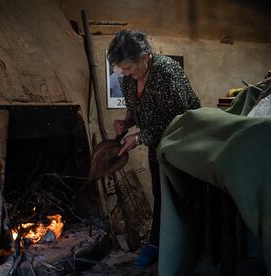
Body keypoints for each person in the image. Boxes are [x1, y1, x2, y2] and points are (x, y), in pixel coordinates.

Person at [107, 30, 201, 268]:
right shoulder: (129, 78)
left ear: (145, 56)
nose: (125, 73)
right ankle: (159, 245)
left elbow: (179, 120)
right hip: (156, 146)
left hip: (184, 145)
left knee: (182, 197)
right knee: (162, 196)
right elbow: (136, 109)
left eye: (128, 68)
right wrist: (126, 123)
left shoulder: (167, 72)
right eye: (122, 69)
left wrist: (139, 137)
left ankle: (187, 250)